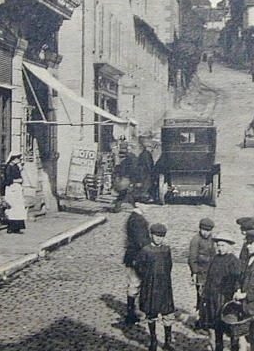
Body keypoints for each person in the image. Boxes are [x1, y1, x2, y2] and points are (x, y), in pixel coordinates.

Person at [135, 223, 176, 351]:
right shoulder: (146, 250)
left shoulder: (166, 250)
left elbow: (169, 265)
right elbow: (139, 267)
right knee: (151, 314)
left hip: (164, 287)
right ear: (151, 235)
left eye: (161, 236)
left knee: (167, 313)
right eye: (157, 236)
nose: (159, 239)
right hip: (150, 287)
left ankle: (167, 341)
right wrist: (148, 277)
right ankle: (153, 340)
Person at [200, 231, 242, 351]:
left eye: (223, 245)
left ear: (229, 246)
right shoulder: (215, 259)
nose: (220, 248)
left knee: (230, 326)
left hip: (225, 298)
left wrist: (235, 292)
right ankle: (218, 347)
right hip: (213, 297)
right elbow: (210, 277)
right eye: (218, 245)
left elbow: (236, 279)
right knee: (216, 325)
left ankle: (234, 347)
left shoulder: (233, 261)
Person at [123, 195, 151, 324]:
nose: (147, 207)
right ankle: (131, 313)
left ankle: (133, 311)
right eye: (145, 204)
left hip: (134, 256)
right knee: (135, 284)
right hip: (136, 257)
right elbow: (141, 241)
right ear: (138, 204)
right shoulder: (137, 220)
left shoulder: (135, 218)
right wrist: (150, 251)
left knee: (135, 284)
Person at [189, 218, 216, 319]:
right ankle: (200, 318)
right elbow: (192, 258)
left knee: (209, 296)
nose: (206, 233)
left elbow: (214, 254)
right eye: (204, 230)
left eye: (208, 231)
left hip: (210, 272)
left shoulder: (212, 240)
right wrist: (194, 273)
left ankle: (206, 317)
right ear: (200, 229)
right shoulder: (196, 240)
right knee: (201, 296)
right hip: (200, 273)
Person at [3, 151, 27, 234]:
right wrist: (17, 180)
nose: (19, 160)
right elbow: (7, 179)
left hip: (17, 188)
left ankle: (17, 227)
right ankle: (11, 227)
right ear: (13, 158)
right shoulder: (9, 167)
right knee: (12, 208)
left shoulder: (16, 166)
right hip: (12, 189)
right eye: (18, 158)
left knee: (19, 208)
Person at [114, 143, 138, 211]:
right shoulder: (130, 158)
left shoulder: (120, 158)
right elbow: (132, 168)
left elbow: (117, 168)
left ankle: (132, 205)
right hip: (126, 178)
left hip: (123, 177)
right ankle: (118, 206)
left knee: (126, 193)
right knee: (125, 193)